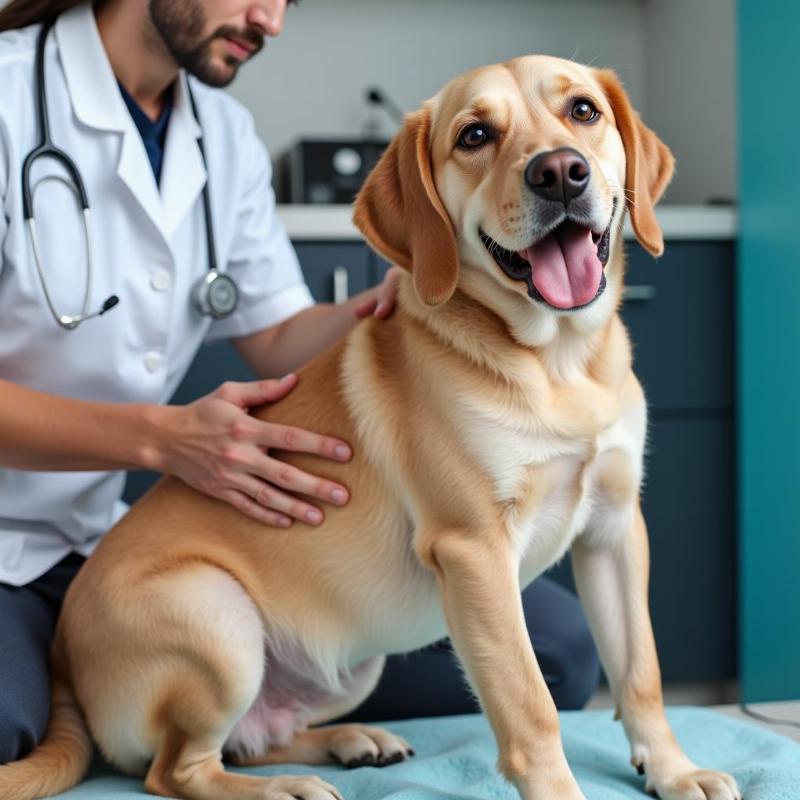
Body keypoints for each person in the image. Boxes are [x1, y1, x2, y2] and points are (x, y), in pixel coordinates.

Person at [0, 0, 599, 765]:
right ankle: (165, 709)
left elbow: (279, 335)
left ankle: (248, 716)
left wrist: (397, 292)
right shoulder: (11, 98)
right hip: (13, 551)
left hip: (108, 542)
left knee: (556, 654)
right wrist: (163, 440)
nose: (270, 20)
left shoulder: (221, 137)